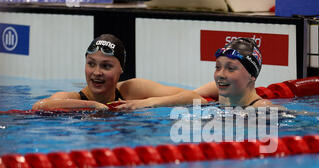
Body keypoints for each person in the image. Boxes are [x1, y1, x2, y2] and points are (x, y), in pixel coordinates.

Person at [32, 34, 206, 111]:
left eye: (106, 66)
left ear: (121, 69)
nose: (96, 72)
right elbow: (40, 106)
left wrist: (147, 103)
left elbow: (196, 98)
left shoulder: (132, 90)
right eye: (91, 64)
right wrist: (93, 105)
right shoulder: (74, 98)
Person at [194, 37, 283, 109]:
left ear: (252, 75)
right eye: (218, 67)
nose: (220, 75)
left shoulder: (263, 108)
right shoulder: (224, 99)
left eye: (230, 68)